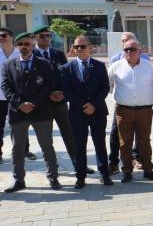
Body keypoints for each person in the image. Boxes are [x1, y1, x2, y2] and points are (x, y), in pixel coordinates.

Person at [1, 32, 61, 192]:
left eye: (27, 44)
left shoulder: (44, 64)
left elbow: (48, 86)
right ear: (16, 46)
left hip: (40, 111)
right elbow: (5, 87)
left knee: (47, 146)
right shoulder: (8, 64)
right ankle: (19, 180)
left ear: (33, 46)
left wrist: (33, 103)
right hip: (18, 112)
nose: (23, 47)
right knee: (18, 148)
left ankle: (53, 178)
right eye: (20, 44)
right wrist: (21, 104)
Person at [61, 35, 113, 188]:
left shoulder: (99, 65)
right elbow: (67, 91)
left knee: (100, 143)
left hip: (97, 111)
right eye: (76, 47)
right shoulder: (67, 68)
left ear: (90, 47)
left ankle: (104, 174)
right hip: (77, 113)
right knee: (79, 145)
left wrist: (94, 105)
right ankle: (80, 176)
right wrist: (84, 105)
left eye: (83, 46)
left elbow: (105, 87)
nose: (80, 49)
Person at [108, 38, 153, 183]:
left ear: (140, 51)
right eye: (126, 50)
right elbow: (109, 85)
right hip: (123, 111)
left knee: (144, 141)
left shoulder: (149, 67)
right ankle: (127, 171)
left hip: (144, 110)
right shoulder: (116, 66)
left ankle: (148, 170)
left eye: (132, 49)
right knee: (125, 143)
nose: (129, 52)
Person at [32, 25, 79, 170]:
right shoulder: (31, 55)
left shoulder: (58, 54)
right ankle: (52, 167)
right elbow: (31, 81)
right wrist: (48, 95)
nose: (47, 39)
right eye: (43, 36)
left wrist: (63, 93)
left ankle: (78, 163)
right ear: (35, 38)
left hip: (60, 102)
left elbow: (66, 76)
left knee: (69, 133)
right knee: (47, 138)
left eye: (49, 36)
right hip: (43, 104)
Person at [0, 26, 19, 162]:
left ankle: (22, 150)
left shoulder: (20, 53)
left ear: (11, 37)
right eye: (0, 36)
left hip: (16, 96)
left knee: (19, 125)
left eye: (4, 35)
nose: (1, 38)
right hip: (0, 96)